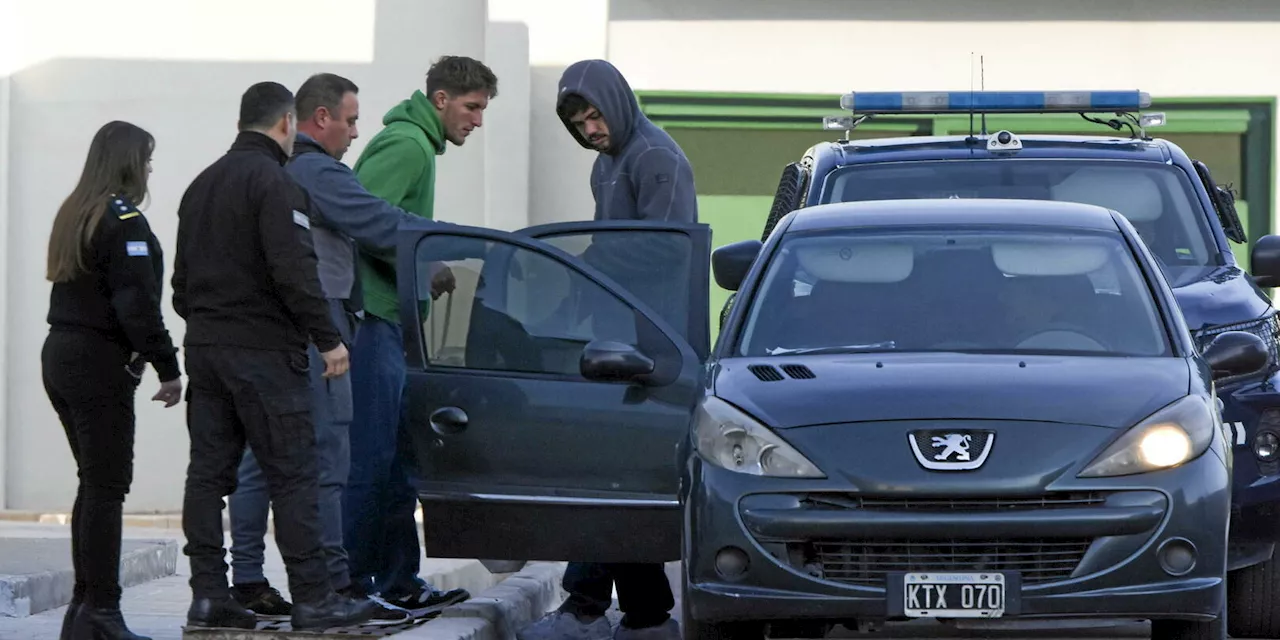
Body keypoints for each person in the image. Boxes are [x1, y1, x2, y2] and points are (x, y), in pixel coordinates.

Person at [225, 71, 468, 622]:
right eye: (351, 120)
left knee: (258, 460)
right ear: (314, 120)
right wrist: (453, 244)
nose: (357, 133)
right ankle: (337, 586)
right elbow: (376, 220)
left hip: (250, 332)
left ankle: (246, 581)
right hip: (318, 325)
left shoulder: (231, 177)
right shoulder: (315, 171)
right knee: (334, 456)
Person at [172, 80, 380, 631]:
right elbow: (296, 273)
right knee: (295, 474)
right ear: (288, 122)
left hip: (207, 353)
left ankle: (209, 598)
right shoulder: (276, 182)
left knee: (208, 477)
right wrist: (327, 339)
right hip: (266, 355)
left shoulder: (200, 185)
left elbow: (179, 286)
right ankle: (315, 599)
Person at [517, 59, 697, 640]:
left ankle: (586, 605)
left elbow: (664, 251)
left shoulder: (655, 156)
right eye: (580, 122)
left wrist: (583, 266)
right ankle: (645, 616)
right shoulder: (607, 163)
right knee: (614, 474)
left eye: (596, 115)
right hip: (614, 337)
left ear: (616, 103)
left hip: (649, 342)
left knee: (605, 472)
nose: (591, 129)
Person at [41, 120, 183, 640]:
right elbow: (136, 305)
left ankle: (84, 612)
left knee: (94, 485)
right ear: (128, 163)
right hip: (98, 361)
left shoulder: (76, 211)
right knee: (107, 487)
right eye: (145, 159)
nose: (149, 170)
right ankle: (101, 611)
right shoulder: (123, 220)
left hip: (61, 354)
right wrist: (168, 367)